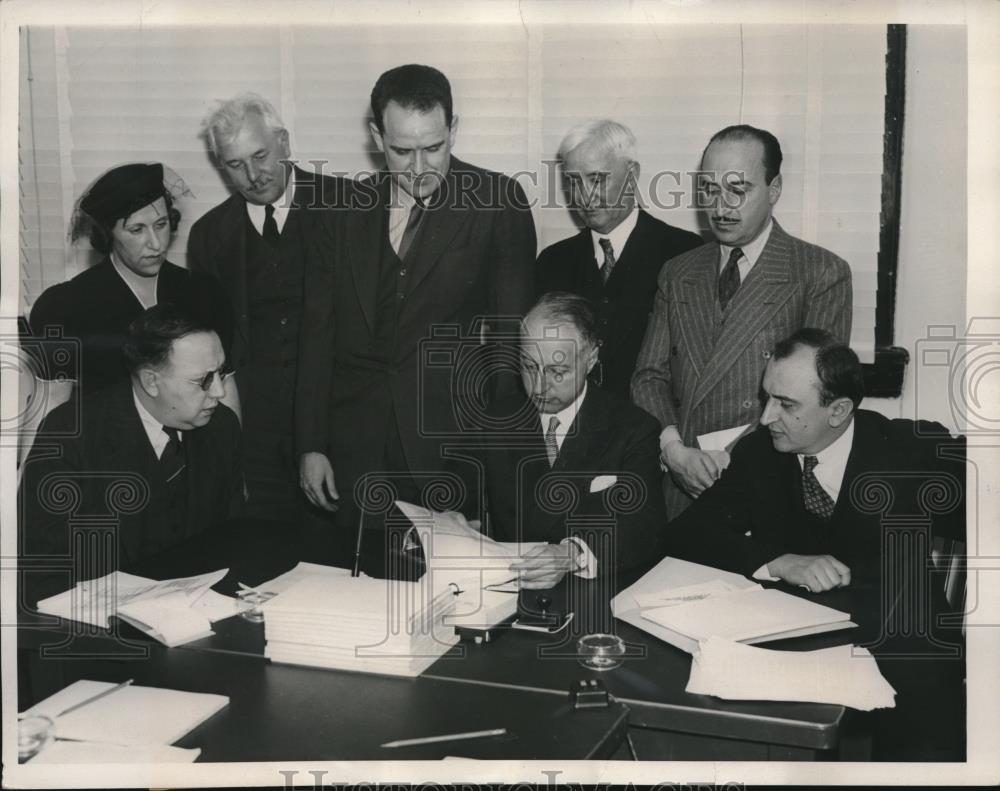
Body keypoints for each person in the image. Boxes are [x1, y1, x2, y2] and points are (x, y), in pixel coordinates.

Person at [665, 328, 966, 760]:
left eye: (786, 405)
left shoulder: (909, 450)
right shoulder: (760, 454)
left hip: (904, 642)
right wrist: (778, 561)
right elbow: (686, 534)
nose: (767, 417)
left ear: (839, 410)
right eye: (767, 397)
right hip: (801, 640)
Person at [296, 64, 536, 549]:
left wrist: (493, 463)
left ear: (454, 130)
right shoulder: (341, 212)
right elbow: (317, 332)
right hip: (355, 448)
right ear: (376, 137)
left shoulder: (497, 202)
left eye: (434, 148)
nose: (420, 168)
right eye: (402, 151)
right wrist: (311, 445)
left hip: (450, 445)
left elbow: (512, 343)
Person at [632, 124, 853, 517]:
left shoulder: (819, 273)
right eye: (710, 189)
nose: (720, 207)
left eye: (738, 189)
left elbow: (815, 401)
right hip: (679, 485)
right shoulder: (678, 271)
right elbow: (648, 377)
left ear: (775, 189)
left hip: (767, 488)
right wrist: (674, 452)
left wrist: (733, 460)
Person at [188, 93, 348, 521]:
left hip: (343, 422)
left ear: (284, 143)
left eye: (260, 156)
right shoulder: (208, 236)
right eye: (235, 164)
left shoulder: (352, 207)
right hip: (256, 437)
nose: (253, 175)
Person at [19, 305, 243, 605]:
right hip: (102, 626)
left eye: (222, 372)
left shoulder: (222, 427)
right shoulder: (71, 433)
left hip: (199, 615)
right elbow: (44, 573)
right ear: (151, 381)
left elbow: (232, 541)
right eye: (203, 380)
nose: (218, 392)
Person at [470, 293, 666, 589]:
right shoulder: (493, 419)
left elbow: (644, 527)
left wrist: (571, 553)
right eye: (529, 366)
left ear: (591, 359)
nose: (539, 386)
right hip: (509, 593)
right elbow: (461, 501)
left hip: (594, 596)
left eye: (557, 372)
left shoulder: (633, 428)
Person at [27, 163, 232, 395]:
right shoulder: (65, 306)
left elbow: (225, 391)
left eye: (161, 225)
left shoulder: (204, 292)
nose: (156, 244)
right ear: (108, 234)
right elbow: (53, 405)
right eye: (137, 230)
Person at [536, 120, 702, 398]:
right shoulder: (552, 262)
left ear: (632, 174)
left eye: (597, 179)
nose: (584, 196)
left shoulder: (684, 252)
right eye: (574, 181)